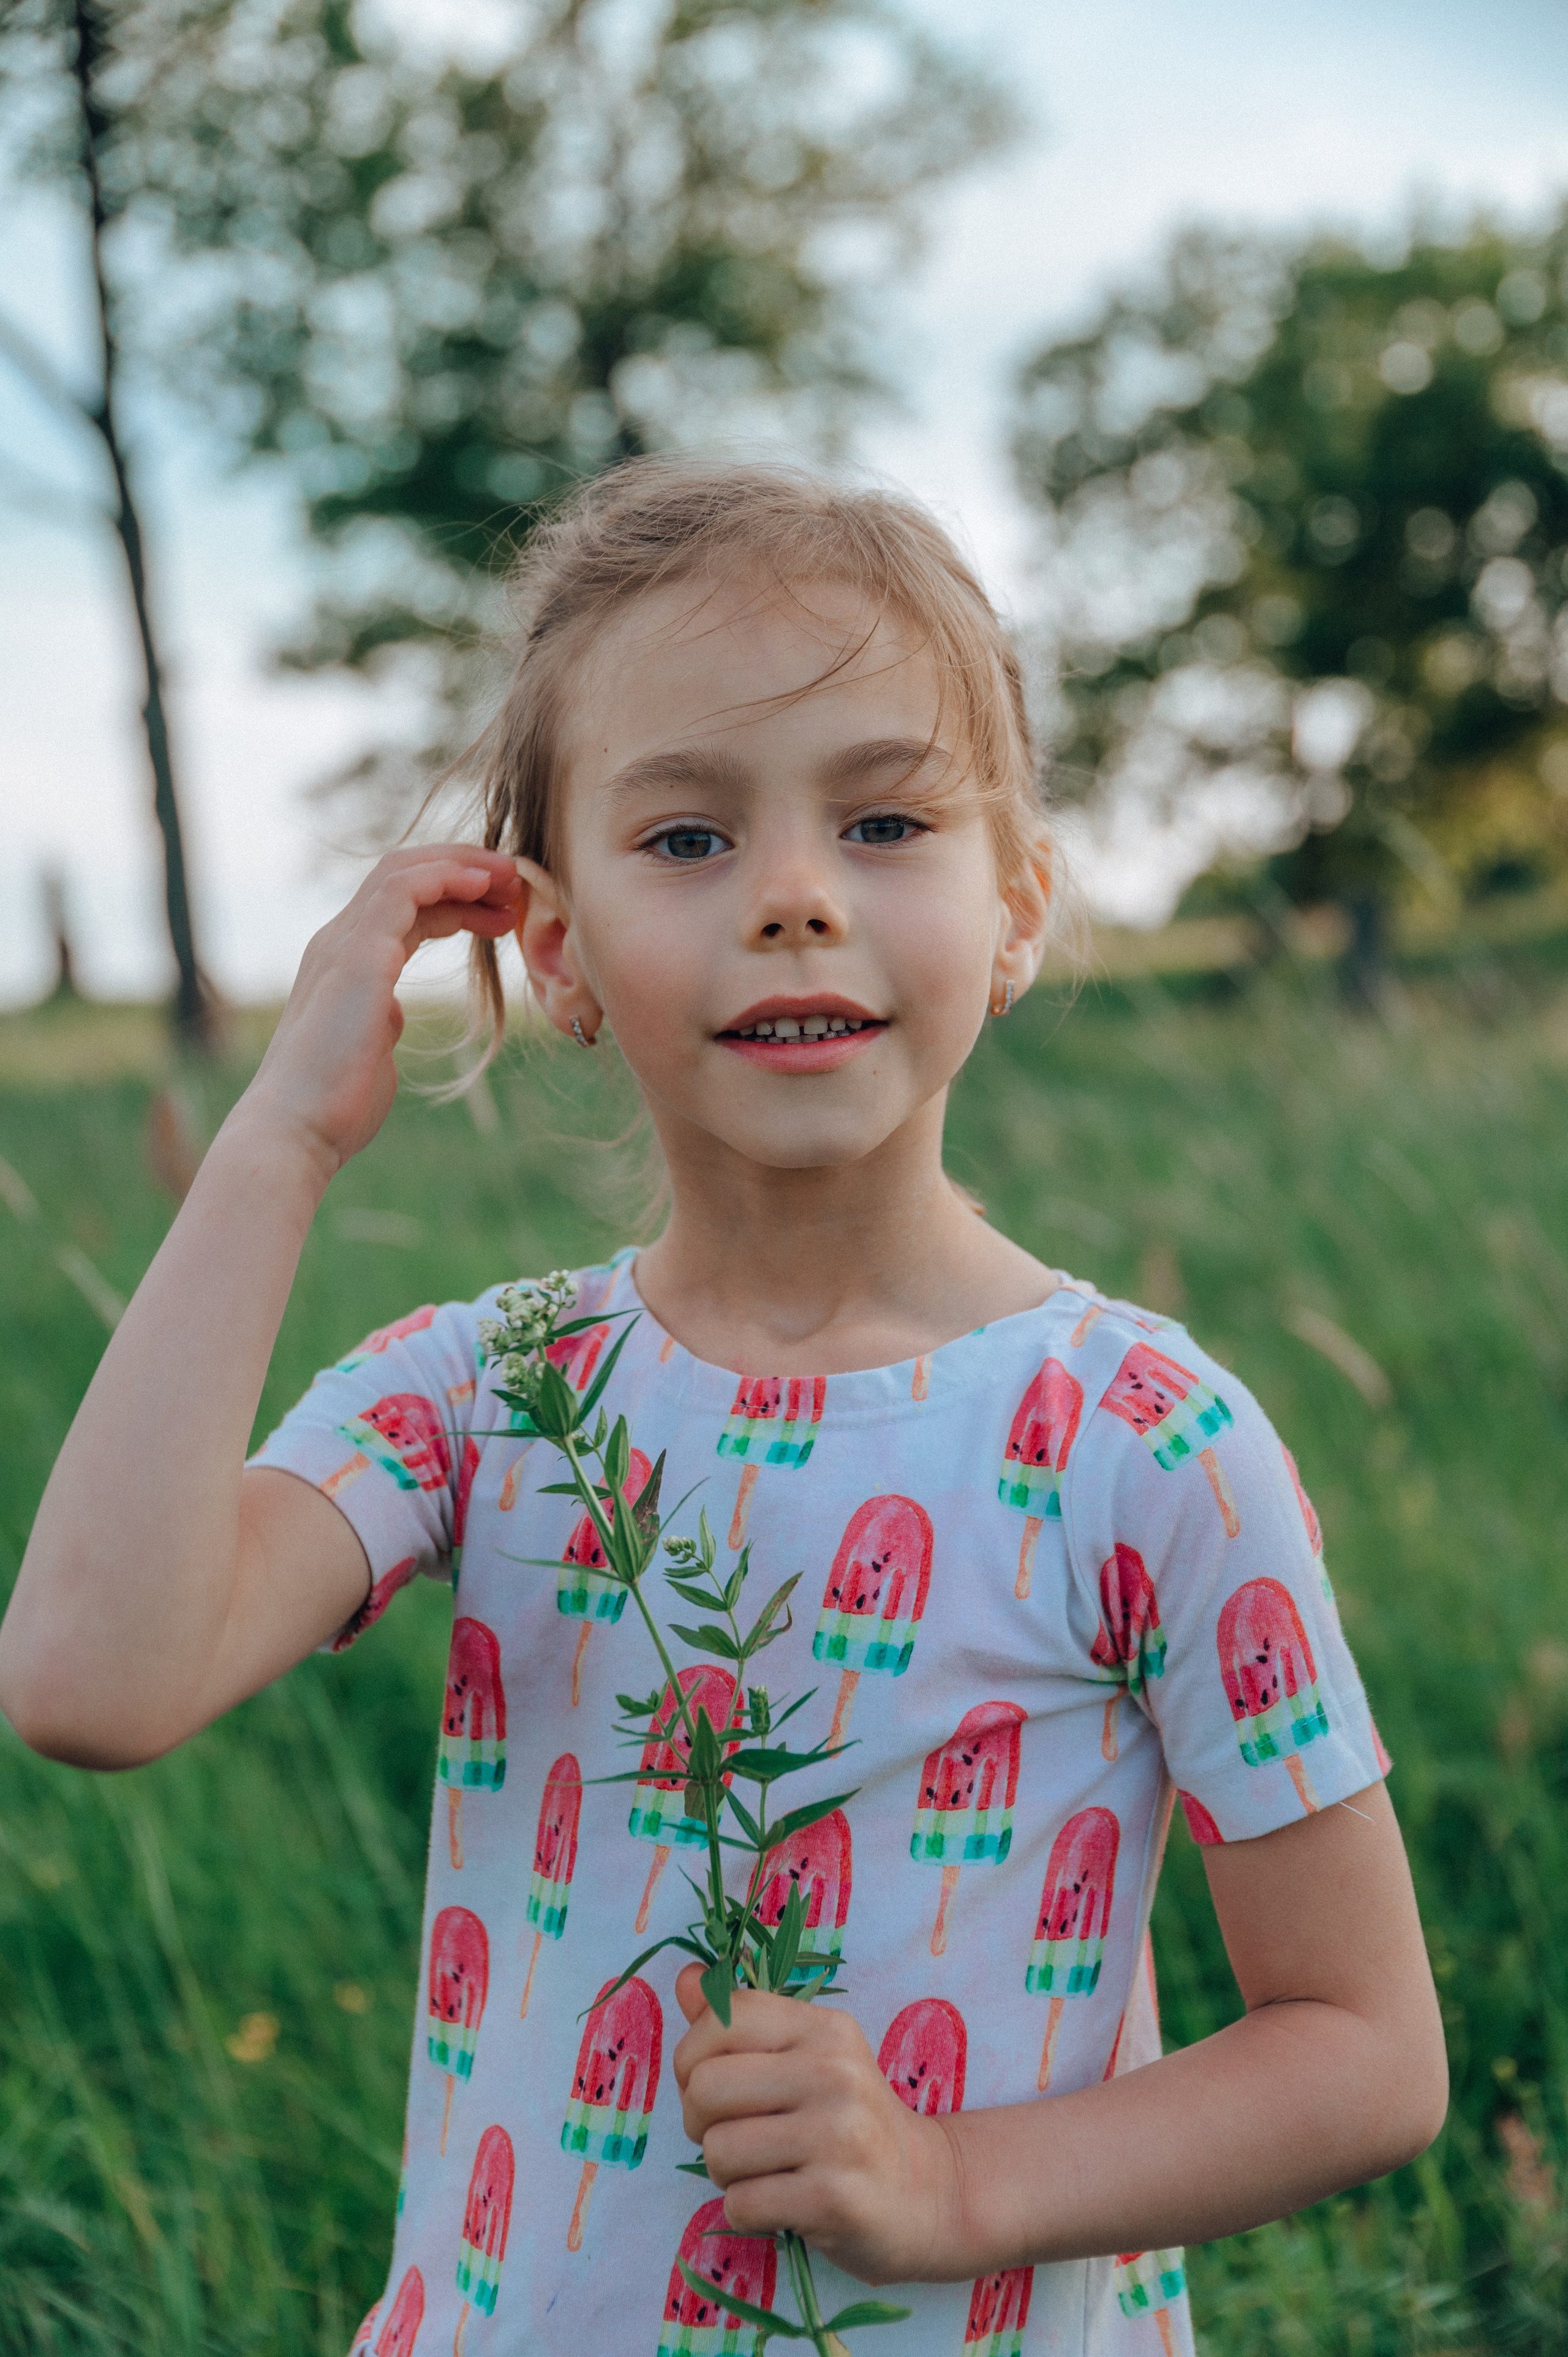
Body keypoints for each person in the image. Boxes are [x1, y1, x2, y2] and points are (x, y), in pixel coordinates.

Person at [0, 459, 1446, 2355]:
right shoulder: (493, 1396)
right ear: (557, 950)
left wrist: (953, 2188)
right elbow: (92, 1680)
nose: (790, 898)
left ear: (1016, 907)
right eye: (685, 838)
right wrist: (279, 1139)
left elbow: (1364, 2049)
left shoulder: (1148, 1440)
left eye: (885, 820)